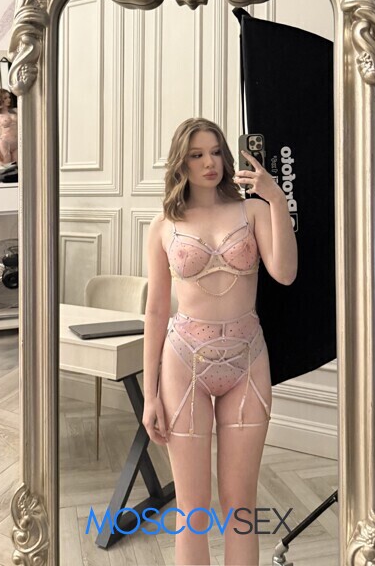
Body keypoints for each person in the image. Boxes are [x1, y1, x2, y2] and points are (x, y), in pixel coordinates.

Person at [143, 117, 297, 565]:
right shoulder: (163, 226)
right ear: (181, 162)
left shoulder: (253, 211)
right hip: (184, 361)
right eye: (196, 154)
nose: (209, 162)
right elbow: (156, 311)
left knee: (240, 505)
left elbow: (285, 273)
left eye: (215, 152)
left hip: (247, 359)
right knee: (192, 508)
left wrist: (276, 198)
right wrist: (150, 395)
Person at [0, 89, 18, 165]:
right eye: (5, 98)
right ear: (0, 100)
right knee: (7, 165)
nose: (9, 99)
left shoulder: (15, 111)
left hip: (17, 142)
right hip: (5, 142)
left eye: (9, 97)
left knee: (18, 166)